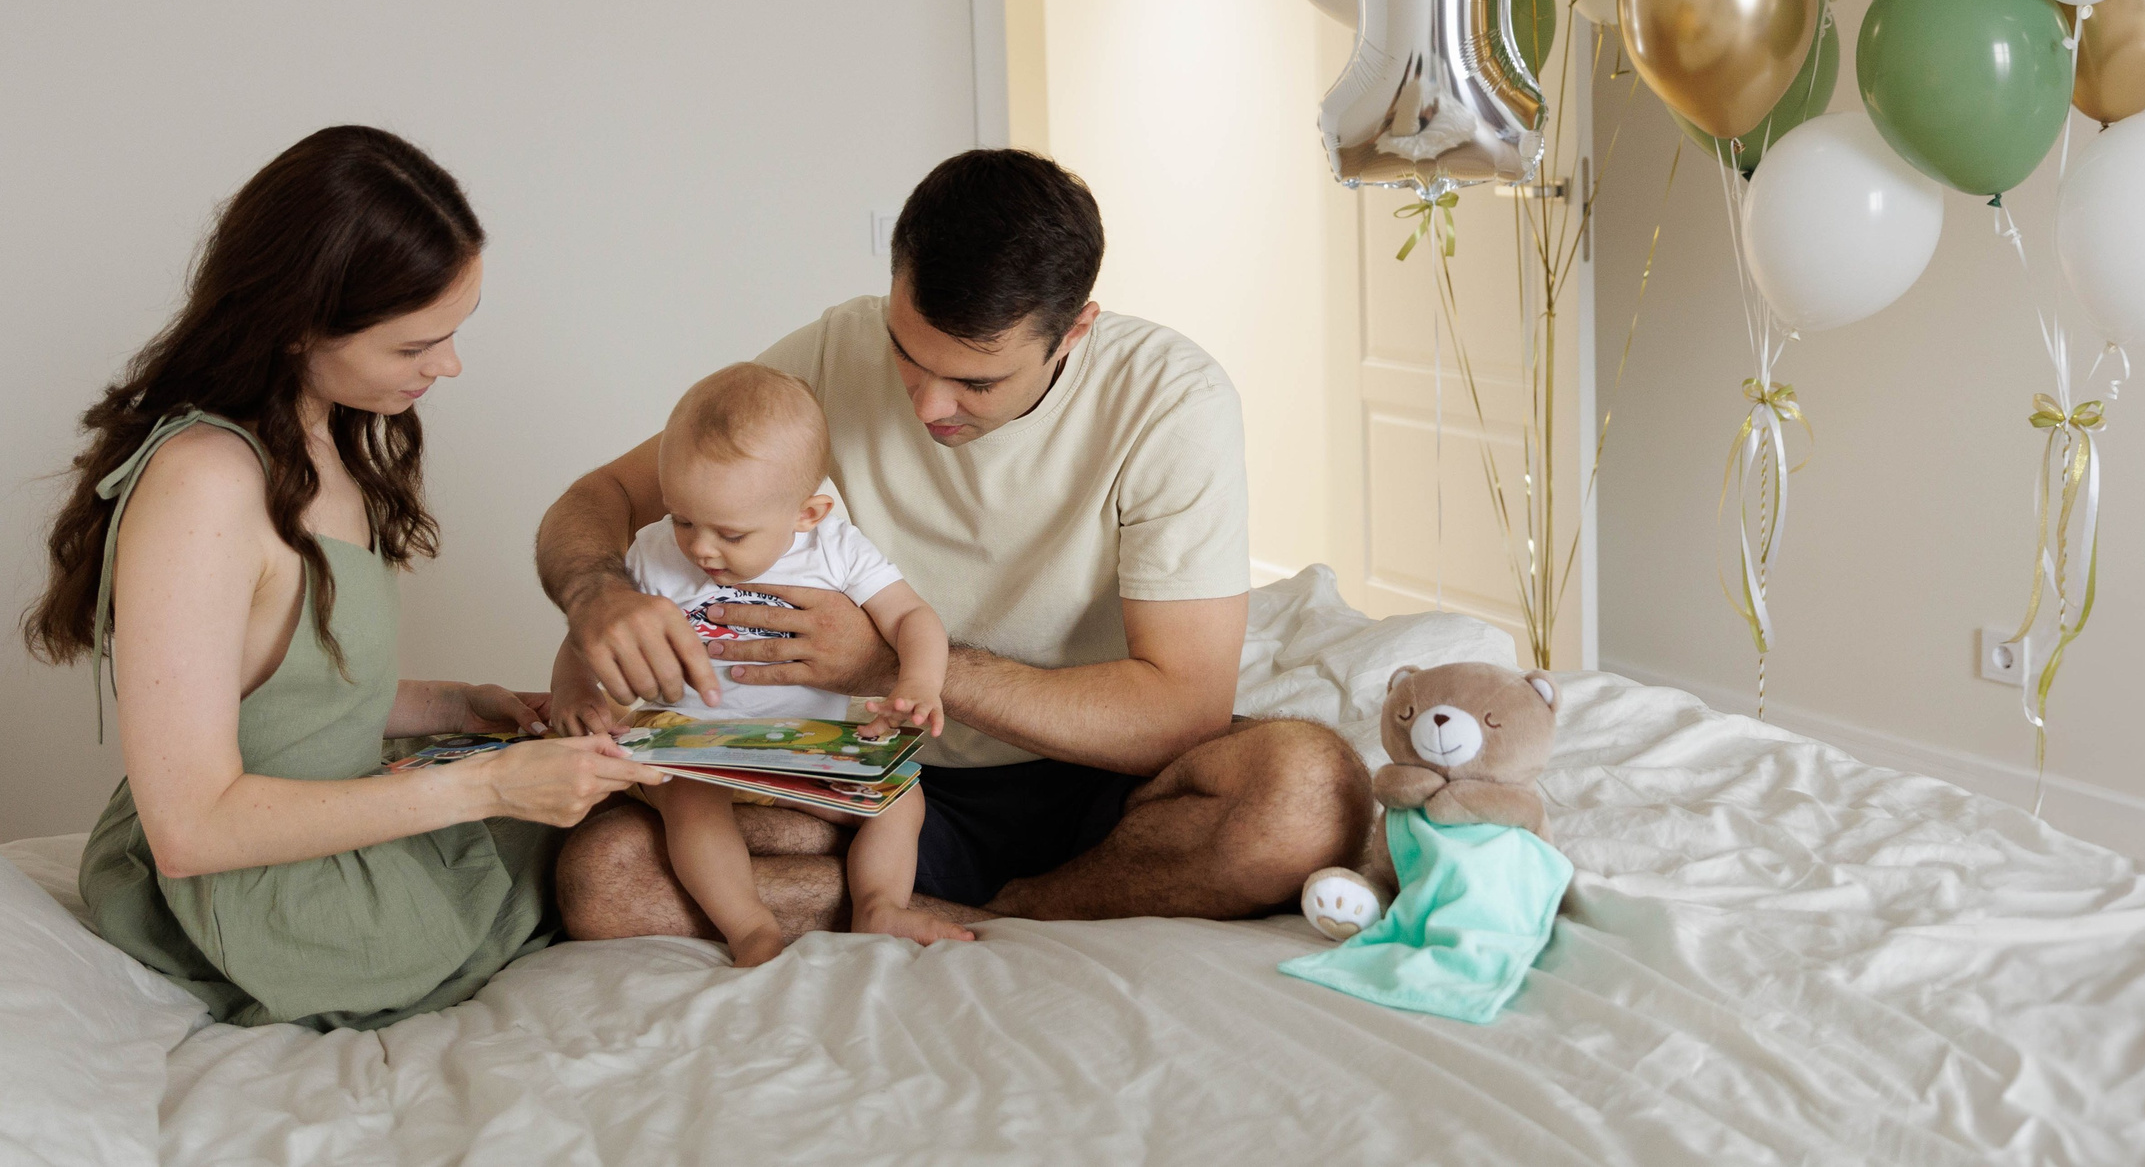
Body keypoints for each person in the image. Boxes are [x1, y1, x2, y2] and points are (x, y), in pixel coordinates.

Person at [542, 149, 1371, 936]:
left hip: (1096, 784)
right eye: (908, 354)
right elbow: (599, 497)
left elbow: (1179, 713)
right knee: (605, 875)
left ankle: (1019, 907)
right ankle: (925, 897)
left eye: (977, 380)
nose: (929, 405)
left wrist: (885, 660)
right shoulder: (829, 354)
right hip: (878, 776)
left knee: (1309, 796)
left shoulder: (1170, 400)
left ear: (1072, 333)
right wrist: (597, 595)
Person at [19, 126, 668, 1030]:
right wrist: (489, 787)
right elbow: (191, 824)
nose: (448, 366)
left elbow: (281, 697)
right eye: (415, 346)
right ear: (297, 324)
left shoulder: (318, 436)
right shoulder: (204, 482)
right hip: (255, 897)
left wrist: (458, 706)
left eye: (454, 333)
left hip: (319, 824)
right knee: (610, 848)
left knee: (635, 801)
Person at [559, 361, 967, 960]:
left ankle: (881, 906)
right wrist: (576, 693)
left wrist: (920, 683)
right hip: (694, 744)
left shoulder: (835, 550)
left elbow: (912, 618)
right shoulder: (651, 556)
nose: (700, 547)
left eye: (730, 534)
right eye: (683, 519)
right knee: (693, 802)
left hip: (805, 743)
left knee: (901, 797)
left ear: (807, 514)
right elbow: (584, 637)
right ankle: (749, 926)